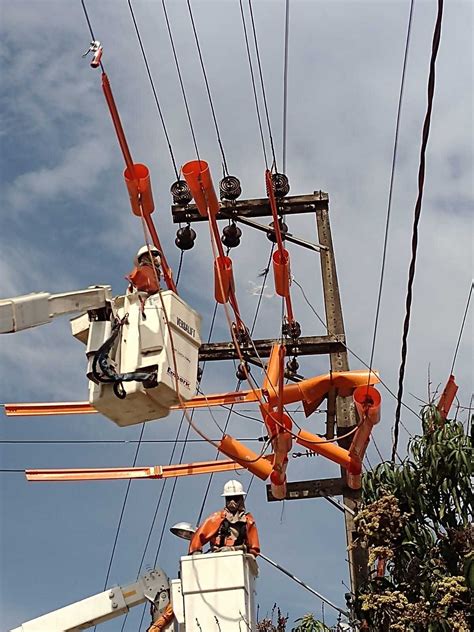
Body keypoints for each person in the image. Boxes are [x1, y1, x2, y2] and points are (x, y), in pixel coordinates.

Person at [188, 480, 260, 557]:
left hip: (240, 560)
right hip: (219, 559)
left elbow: (254, 550)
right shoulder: (217, 518)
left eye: (235, 498)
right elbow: (198, 538)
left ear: (241, 499)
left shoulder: (248, 521)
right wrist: (195, 554)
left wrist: (234, 550)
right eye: (229, 498)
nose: (232, 502)